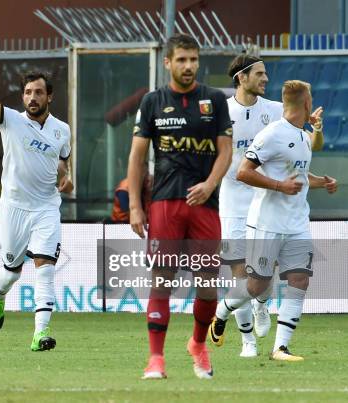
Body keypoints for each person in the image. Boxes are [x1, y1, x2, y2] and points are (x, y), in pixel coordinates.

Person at [127, 33, 233, 379]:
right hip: (165, 204)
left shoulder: (215, 101)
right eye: (182, 60)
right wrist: (135, 206)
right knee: (162, 281)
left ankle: (198, 345)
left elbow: (225, 151)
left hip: (205, 205)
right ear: (168, 62)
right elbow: (138, 157)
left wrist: (210, 184)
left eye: (193, 59)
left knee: (207, 285)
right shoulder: (152, 102)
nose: (189, 66)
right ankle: (155, 359)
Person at [210, 80, 337, 362]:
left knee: (299, 279)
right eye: (311, 98)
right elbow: (243, 172)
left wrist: (321, 181)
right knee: (257, 286)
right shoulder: (271, 135)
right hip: (266, 223)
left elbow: (301, 173)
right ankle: (222, 311)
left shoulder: (302, 135)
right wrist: (280, 186)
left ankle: (280, 347)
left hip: (297, 222)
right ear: (306, 103)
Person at [0, 40, 73, 351]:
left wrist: (66, 176)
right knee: (11, 272)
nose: (32, 97)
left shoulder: (62, 130)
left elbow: (64, 160)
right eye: (28, 92)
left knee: (45, 267)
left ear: (49, 96)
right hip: (14, 207)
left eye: (38, 92)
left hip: (46, 207)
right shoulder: (11, 120)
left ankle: (40, 334)